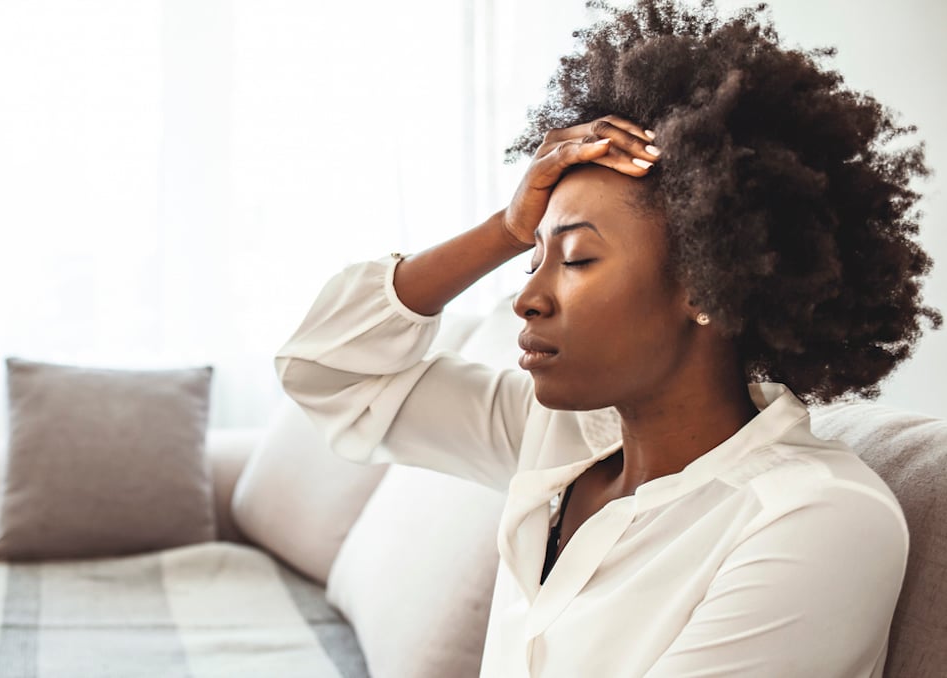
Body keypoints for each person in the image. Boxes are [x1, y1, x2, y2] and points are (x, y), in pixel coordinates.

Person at [275, 0, 940, 676]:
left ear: (707, 286)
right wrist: (503, 229)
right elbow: (330, 372)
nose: (528, 299)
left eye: (578, 260)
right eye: (532, 257)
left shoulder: (813, 520)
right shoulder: (559, 439)